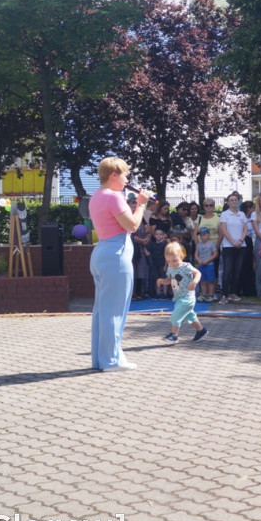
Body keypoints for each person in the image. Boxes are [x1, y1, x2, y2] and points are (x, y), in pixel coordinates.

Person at [88, 156, 152, 372]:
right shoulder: (113, 197)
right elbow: (133, 225)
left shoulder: (96, 196)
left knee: (101, 311)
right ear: (113, 174)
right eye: (124, 174)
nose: (126, 179)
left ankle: (102, 359)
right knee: (114, 310)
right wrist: (141, 205)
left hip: (102, 253)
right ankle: (111, 360)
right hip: (116, 255)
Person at [158, 242, 207, 344]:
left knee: (176, 315)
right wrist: (163, 281)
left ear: (182, 256)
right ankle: (201, 330)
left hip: (187, 298)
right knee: (190, 316)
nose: (172, 263)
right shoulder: (171, 268)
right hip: (179, 297)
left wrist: (194, 282)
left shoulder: (186, 267)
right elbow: (170, 280)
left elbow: (198, 273)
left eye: (175, 260)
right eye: (169, 261)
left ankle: (174, 335)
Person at [217, 193, 248, 304]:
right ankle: (224, 294)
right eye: (232, 200)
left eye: (236, 200)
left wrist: (240, 240)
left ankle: (233, 292)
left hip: (241, 245)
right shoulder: (225, 214)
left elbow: (245, 229)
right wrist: (233, 241)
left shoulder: (242, 214)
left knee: (237, 270)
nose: (234, 202)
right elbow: (224, 230)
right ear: (228, 202)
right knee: (227, 271)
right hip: (228, 246)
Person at [194, 227, 219, 302]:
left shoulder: (211, 244)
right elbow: (196, 254)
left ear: (208, 235)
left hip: (209, 265)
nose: (202, 237)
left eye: (204, 235)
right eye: (201, 235)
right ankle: (204, 294)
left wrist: (208, 260)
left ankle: (211, 295)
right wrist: (198, 260)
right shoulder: (199, 245)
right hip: (201, 265)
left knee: (211, 281)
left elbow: (215, 254)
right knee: (202, 281)